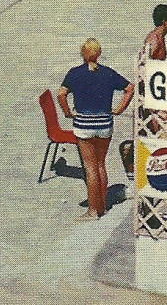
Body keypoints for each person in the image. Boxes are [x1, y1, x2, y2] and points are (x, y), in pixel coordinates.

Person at [57, 39, 133, 220]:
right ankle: (103, 206)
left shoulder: (75, 73)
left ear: (83, 53)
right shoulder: (107, 72)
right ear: (99, 53)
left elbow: (61, 94)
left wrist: (68, 113)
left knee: (90, 168)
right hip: (105, 123)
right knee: (100, 165)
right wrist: (120, 109)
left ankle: (93, 210)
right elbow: (130, 88)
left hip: (84, 124)